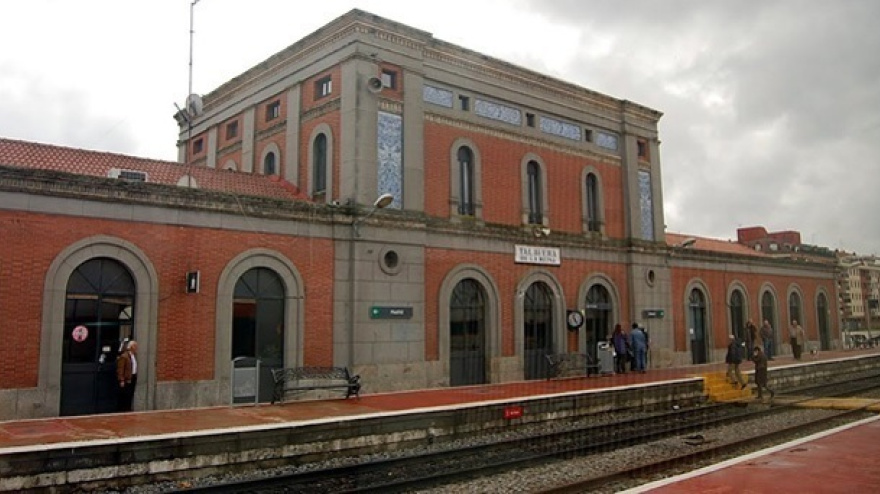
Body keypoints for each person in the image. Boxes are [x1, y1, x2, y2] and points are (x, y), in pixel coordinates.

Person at [116, 340, 139, 412]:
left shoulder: (133, 356)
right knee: (125, 395)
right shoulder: (124, 356)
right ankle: (123, 409)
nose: (136, 348)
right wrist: (121, 380)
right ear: (131, 347)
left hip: (133, 377)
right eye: (135, 346)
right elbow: (120, 369)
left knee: (131, 394)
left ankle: (128, 408)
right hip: (126, 379)